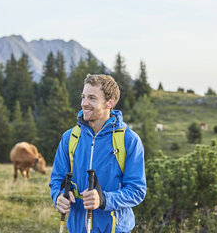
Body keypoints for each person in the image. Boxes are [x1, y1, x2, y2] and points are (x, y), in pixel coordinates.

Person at [50, 74, 146, 233]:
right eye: (83, 97)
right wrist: (58, 196)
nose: (84, 104)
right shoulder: (70, 138)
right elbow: (57, 179)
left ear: (110, 102)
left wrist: (104, 199)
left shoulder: (129, 140)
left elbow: (137, 190)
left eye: (92, 98)